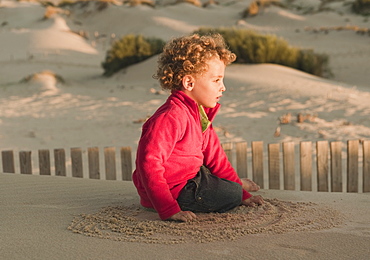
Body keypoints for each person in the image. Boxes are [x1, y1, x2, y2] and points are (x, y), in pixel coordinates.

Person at [132, 33, 264, 222]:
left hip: (191, 177)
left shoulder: (199, 116)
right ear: (189, 82)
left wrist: (243, 195)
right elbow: (149, 164)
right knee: (230, 194)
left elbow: (217, 160)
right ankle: (233, 186)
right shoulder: (171, 116)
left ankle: (235, 185)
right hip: (173, 192)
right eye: (216, 80)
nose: (223, 87)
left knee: (230, 186)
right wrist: (168, 208)